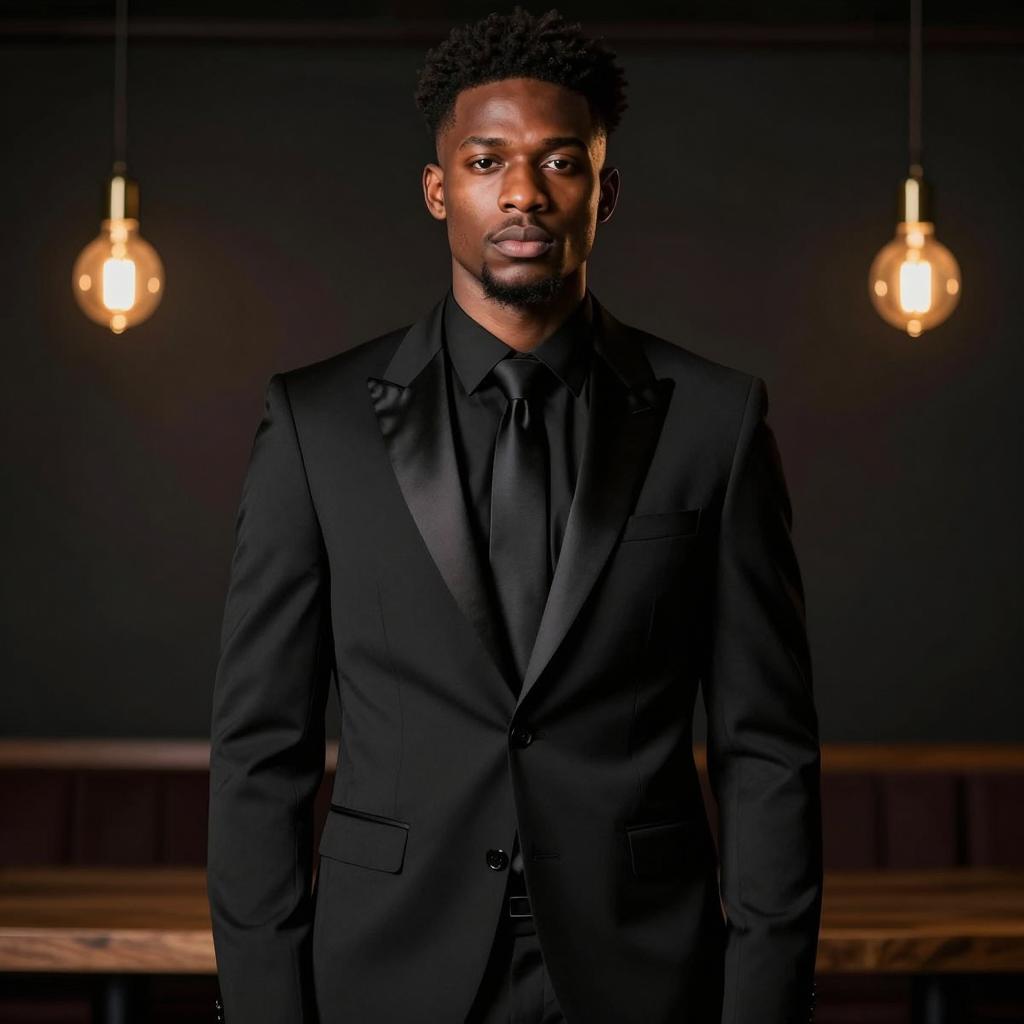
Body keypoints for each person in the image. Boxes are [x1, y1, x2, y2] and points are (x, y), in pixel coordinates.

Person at [206, 7, 823, 1023]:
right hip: (384, 970)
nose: (524, 194)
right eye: (487, 161)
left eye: (561, 162)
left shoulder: (714, 419)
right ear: (438, 189)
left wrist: (760, 1005)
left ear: (604, 193)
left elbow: (767, 750)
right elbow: (259, 747)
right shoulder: (315, 422)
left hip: (643, 971)